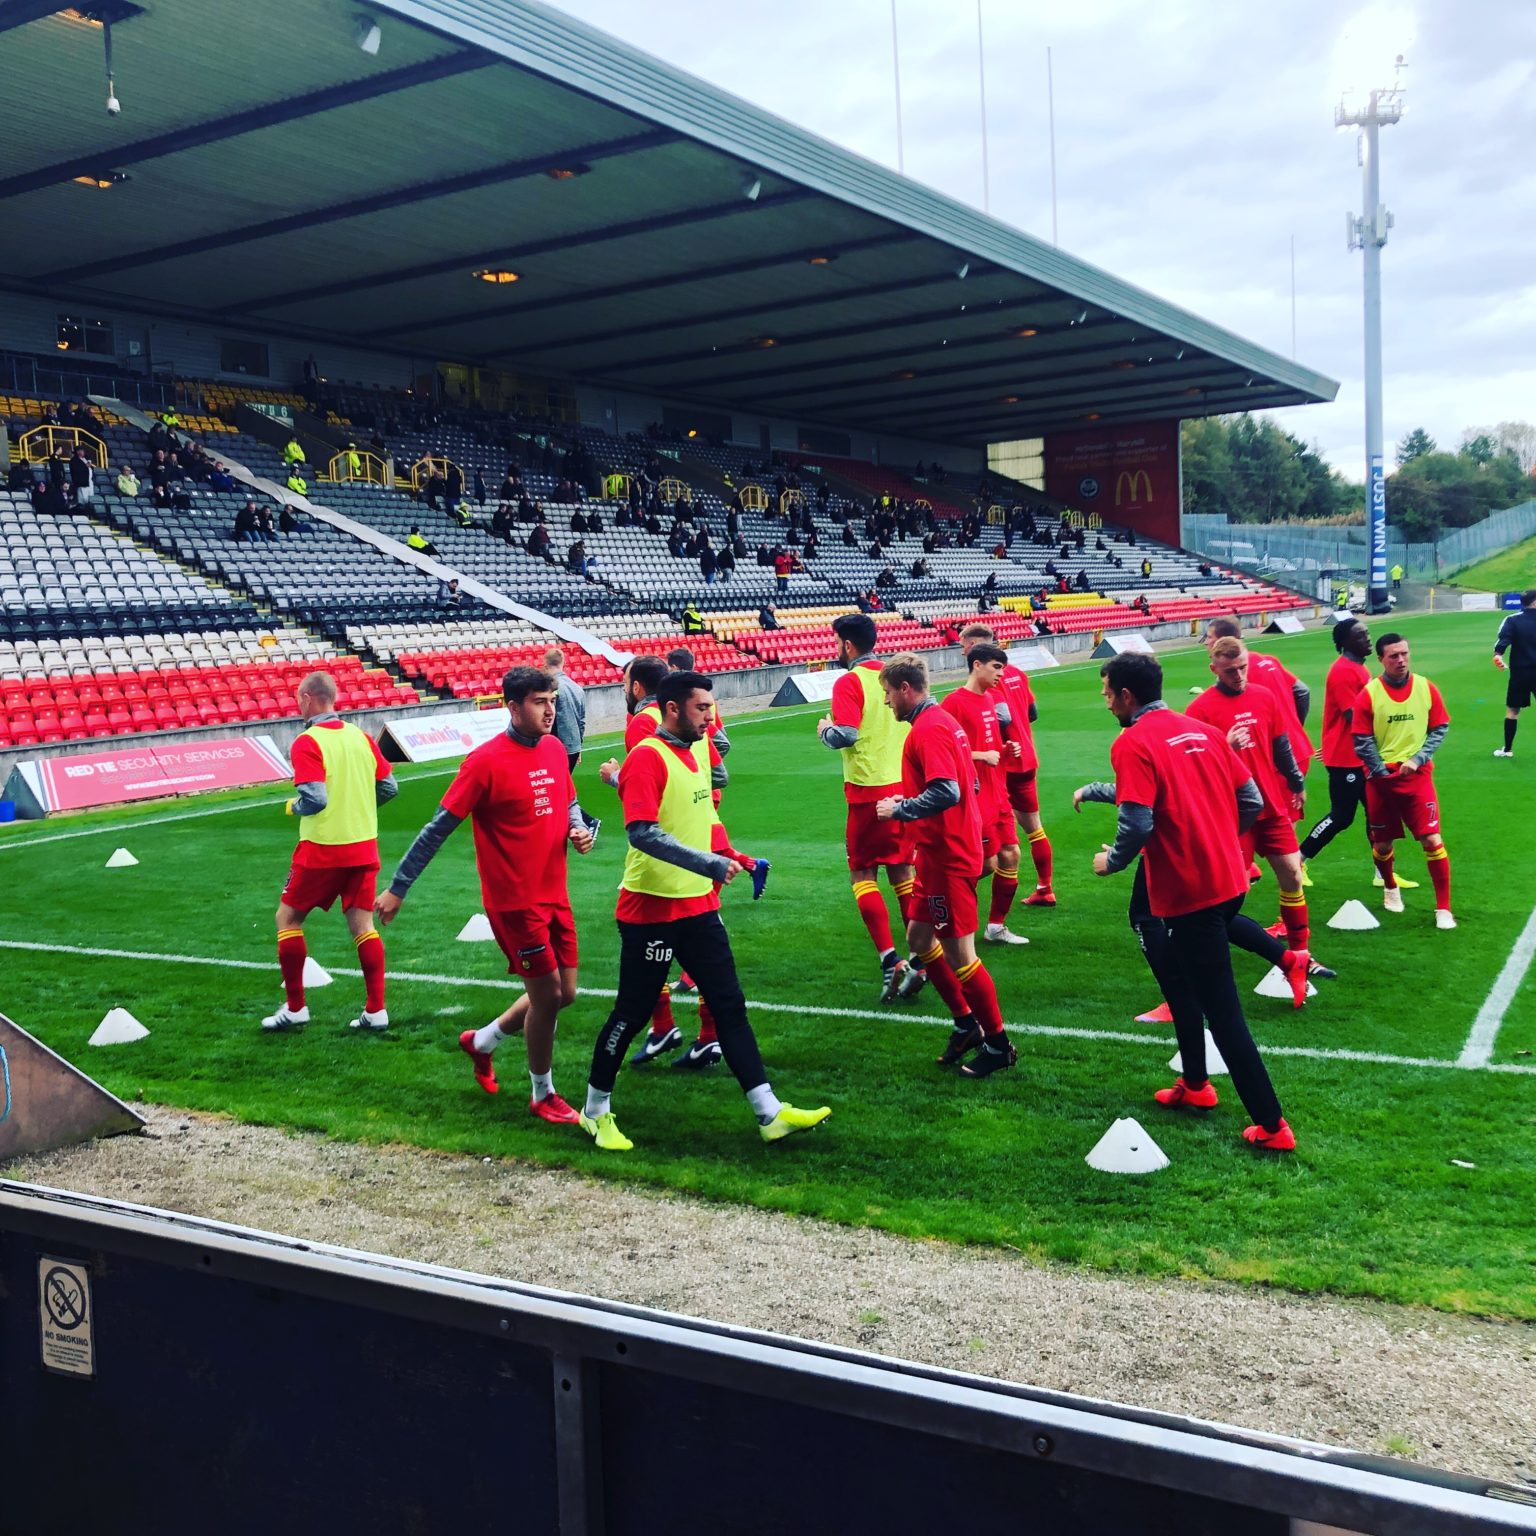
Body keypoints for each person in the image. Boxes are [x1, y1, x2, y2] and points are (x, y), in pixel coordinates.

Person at [580, 670, 827, 1150]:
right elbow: (642, 833)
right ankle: (594, 1112)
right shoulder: (647, 756)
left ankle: (769, 1113)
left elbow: (704, 816)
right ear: (672, 708)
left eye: (711, 708)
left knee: (729, 1004)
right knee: (632, 1012)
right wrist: (708, 863)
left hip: (698, 905)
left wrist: (732, 856)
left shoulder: (698, 748)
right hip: (650, 908)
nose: (711, 717)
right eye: (702, 708)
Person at [1091, 652, 1295, 1151]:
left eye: (1108, 693)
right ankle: (1197, 1084)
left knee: (1223, 1012)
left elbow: (1137, 821)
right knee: (1181, 982)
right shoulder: (1201, 730)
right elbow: (1250, 800)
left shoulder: (1132, 741)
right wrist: (1218, 838)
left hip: (1192, 893)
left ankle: (1273, 1127)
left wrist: (1112, 862)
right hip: (1229, 880)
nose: (1106, 701)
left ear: (1126, 696)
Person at [377, 668, 596, 1125]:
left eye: (552, 700)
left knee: (566, 993)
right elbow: (437, 829)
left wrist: (577, 827)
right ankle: (543, 1094)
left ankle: (481, 1042)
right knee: (548, 996)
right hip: (514, 901)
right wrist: (399, 887)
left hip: (555, 893)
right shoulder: (484, 762)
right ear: (513, 707)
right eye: (539, 701)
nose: (550, 710)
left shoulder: (555, 749)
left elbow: (568, 800)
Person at [876, 654, 1016, 1077]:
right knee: (919, 938)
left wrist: (901, 810)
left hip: (948, 855)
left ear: (905, 689)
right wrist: (912, 801)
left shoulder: (930, 728)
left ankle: (998, 1045)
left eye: (888, 693)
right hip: (939, 850)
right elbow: (964, 781)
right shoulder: (943, 722)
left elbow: (948, 791)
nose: (887, 702)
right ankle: (965, 1023)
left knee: (961, 954)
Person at [262, 671, 397, 1035]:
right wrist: (357, 809)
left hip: (322, 849)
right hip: (364, 846)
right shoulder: (361, 737)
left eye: (298, 698)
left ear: (307, 698)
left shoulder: (307, 742)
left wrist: (294, 807)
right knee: (363, 926)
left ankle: (296, 1008)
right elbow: (389, 787)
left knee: (287, 919)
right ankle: (376, 1010)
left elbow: (316, 798)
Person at [1187, 638, 1313, 1003]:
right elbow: (1194, 769)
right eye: (1230, 670)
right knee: (1228, 895)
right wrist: (1225, 747)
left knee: (1292, 874)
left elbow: (1281, 745)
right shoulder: (1199, 710)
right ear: (1214, 669)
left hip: (1271, 805)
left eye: (1243, 667)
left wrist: (1296, 782)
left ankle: (1302, 957)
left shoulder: (1264, 696)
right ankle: (1211, 966)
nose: (1239, 675)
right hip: (1232, 816)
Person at [817, 614, 923, 1001]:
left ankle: (890, 960)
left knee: (862, 873)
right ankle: (920, 958)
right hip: (903, 787)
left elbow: (845, 734)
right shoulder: (893, 676)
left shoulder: (851, 681)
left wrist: (825, 731)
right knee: (903, 871)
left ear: (847, 645)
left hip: (867, 791)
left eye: (836, 643)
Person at [1352, 633, 1454, 927]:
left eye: (1404, 653)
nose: (1401, 660)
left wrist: (1418, 759)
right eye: (1393, 656)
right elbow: (1361, 739)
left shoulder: (1426, 687)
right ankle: (1390, 886)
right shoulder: (1369, 694)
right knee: (1382, 844)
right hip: (1380, 779)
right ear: (1381, 659)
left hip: (1417, 777)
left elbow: (1440, 727)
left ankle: (1443, 908)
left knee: (1432, 839)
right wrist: (1380, 771)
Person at [960, 624, 1055, 908]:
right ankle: (1045, 887)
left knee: (984, 833)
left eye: (964, 646)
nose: (962, 652)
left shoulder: (992, 678)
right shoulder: (1017, 673)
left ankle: (952, 887)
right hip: (1026, 757)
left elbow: (1001, 717)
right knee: (1034, 828)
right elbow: (1032, 713)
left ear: (976, 646)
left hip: (1002, 764)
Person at [942, 644, 1028, 947]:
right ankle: (938, 898)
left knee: (1011, 854)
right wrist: (981, 756)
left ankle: (995, 926)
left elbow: (988, 744)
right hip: (976, 798)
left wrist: (1005, 750)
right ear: (977, 665)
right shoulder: (954, 703)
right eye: (996, 667)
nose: (1001, 674)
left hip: (998, 792)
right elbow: (943, 751)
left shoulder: (990, 699)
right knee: (984, 865)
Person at [1299, 618, 1375, 869]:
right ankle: (1298, 860)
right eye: (1361, 635)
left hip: (1361, 755)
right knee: (1342, 816)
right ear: (1345, 642)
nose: (1368, 639)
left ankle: (1383, 872)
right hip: (1345, 757)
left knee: (1377, 814)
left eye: (1367, 633)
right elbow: (1354, 717)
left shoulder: (1359, 668)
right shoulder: (1343, 671)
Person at [1205, 618, 1313, 779]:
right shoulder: (1269, 660)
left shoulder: (1235, 674)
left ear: (1223, 641)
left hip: (1276, 759)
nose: (1206, 642)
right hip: (1297, 749)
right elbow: (1302, 691)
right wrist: (1293, 726)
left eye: (1209, 637)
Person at [1492, 589, 1536, 758]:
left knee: (1513, 711)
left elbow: (1503, 640)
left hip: (1520, 673)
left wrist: (1498, 654)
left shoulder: (1512, 620)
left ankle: (1507, 749)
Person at [544, 646, 587, 772]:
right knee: (564, 781)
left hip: (555, 747)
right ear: (563, 663)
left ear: (545, 665)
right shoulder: (577, 688)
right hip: (573, 747)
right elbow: (582, 721)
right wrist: (578, 745)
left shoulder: (549, 689)